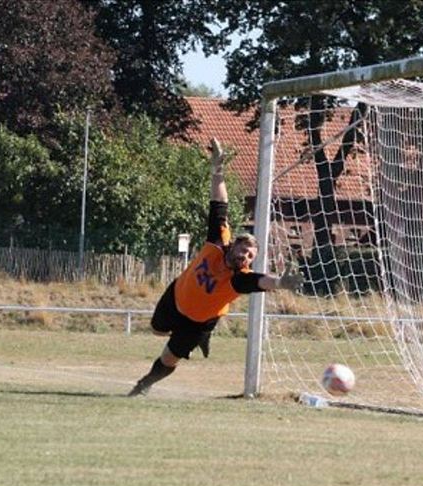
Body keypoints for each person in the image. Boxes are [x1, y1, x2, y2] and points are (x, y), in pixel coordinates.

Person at [128, 138, 303, 397]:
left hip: (198, 322)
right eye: (243, 250)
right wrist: (217, 168)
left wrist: (281, 282)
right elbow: (219, 203)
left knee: (169, 358)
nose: (245, 257)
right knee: (156, 330)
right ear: (232, 246)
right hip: (176, 296)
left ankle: (143, 385)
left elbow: (261, 281)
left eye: (250, 256)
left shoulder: (238, 279)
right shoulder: (217, 241)